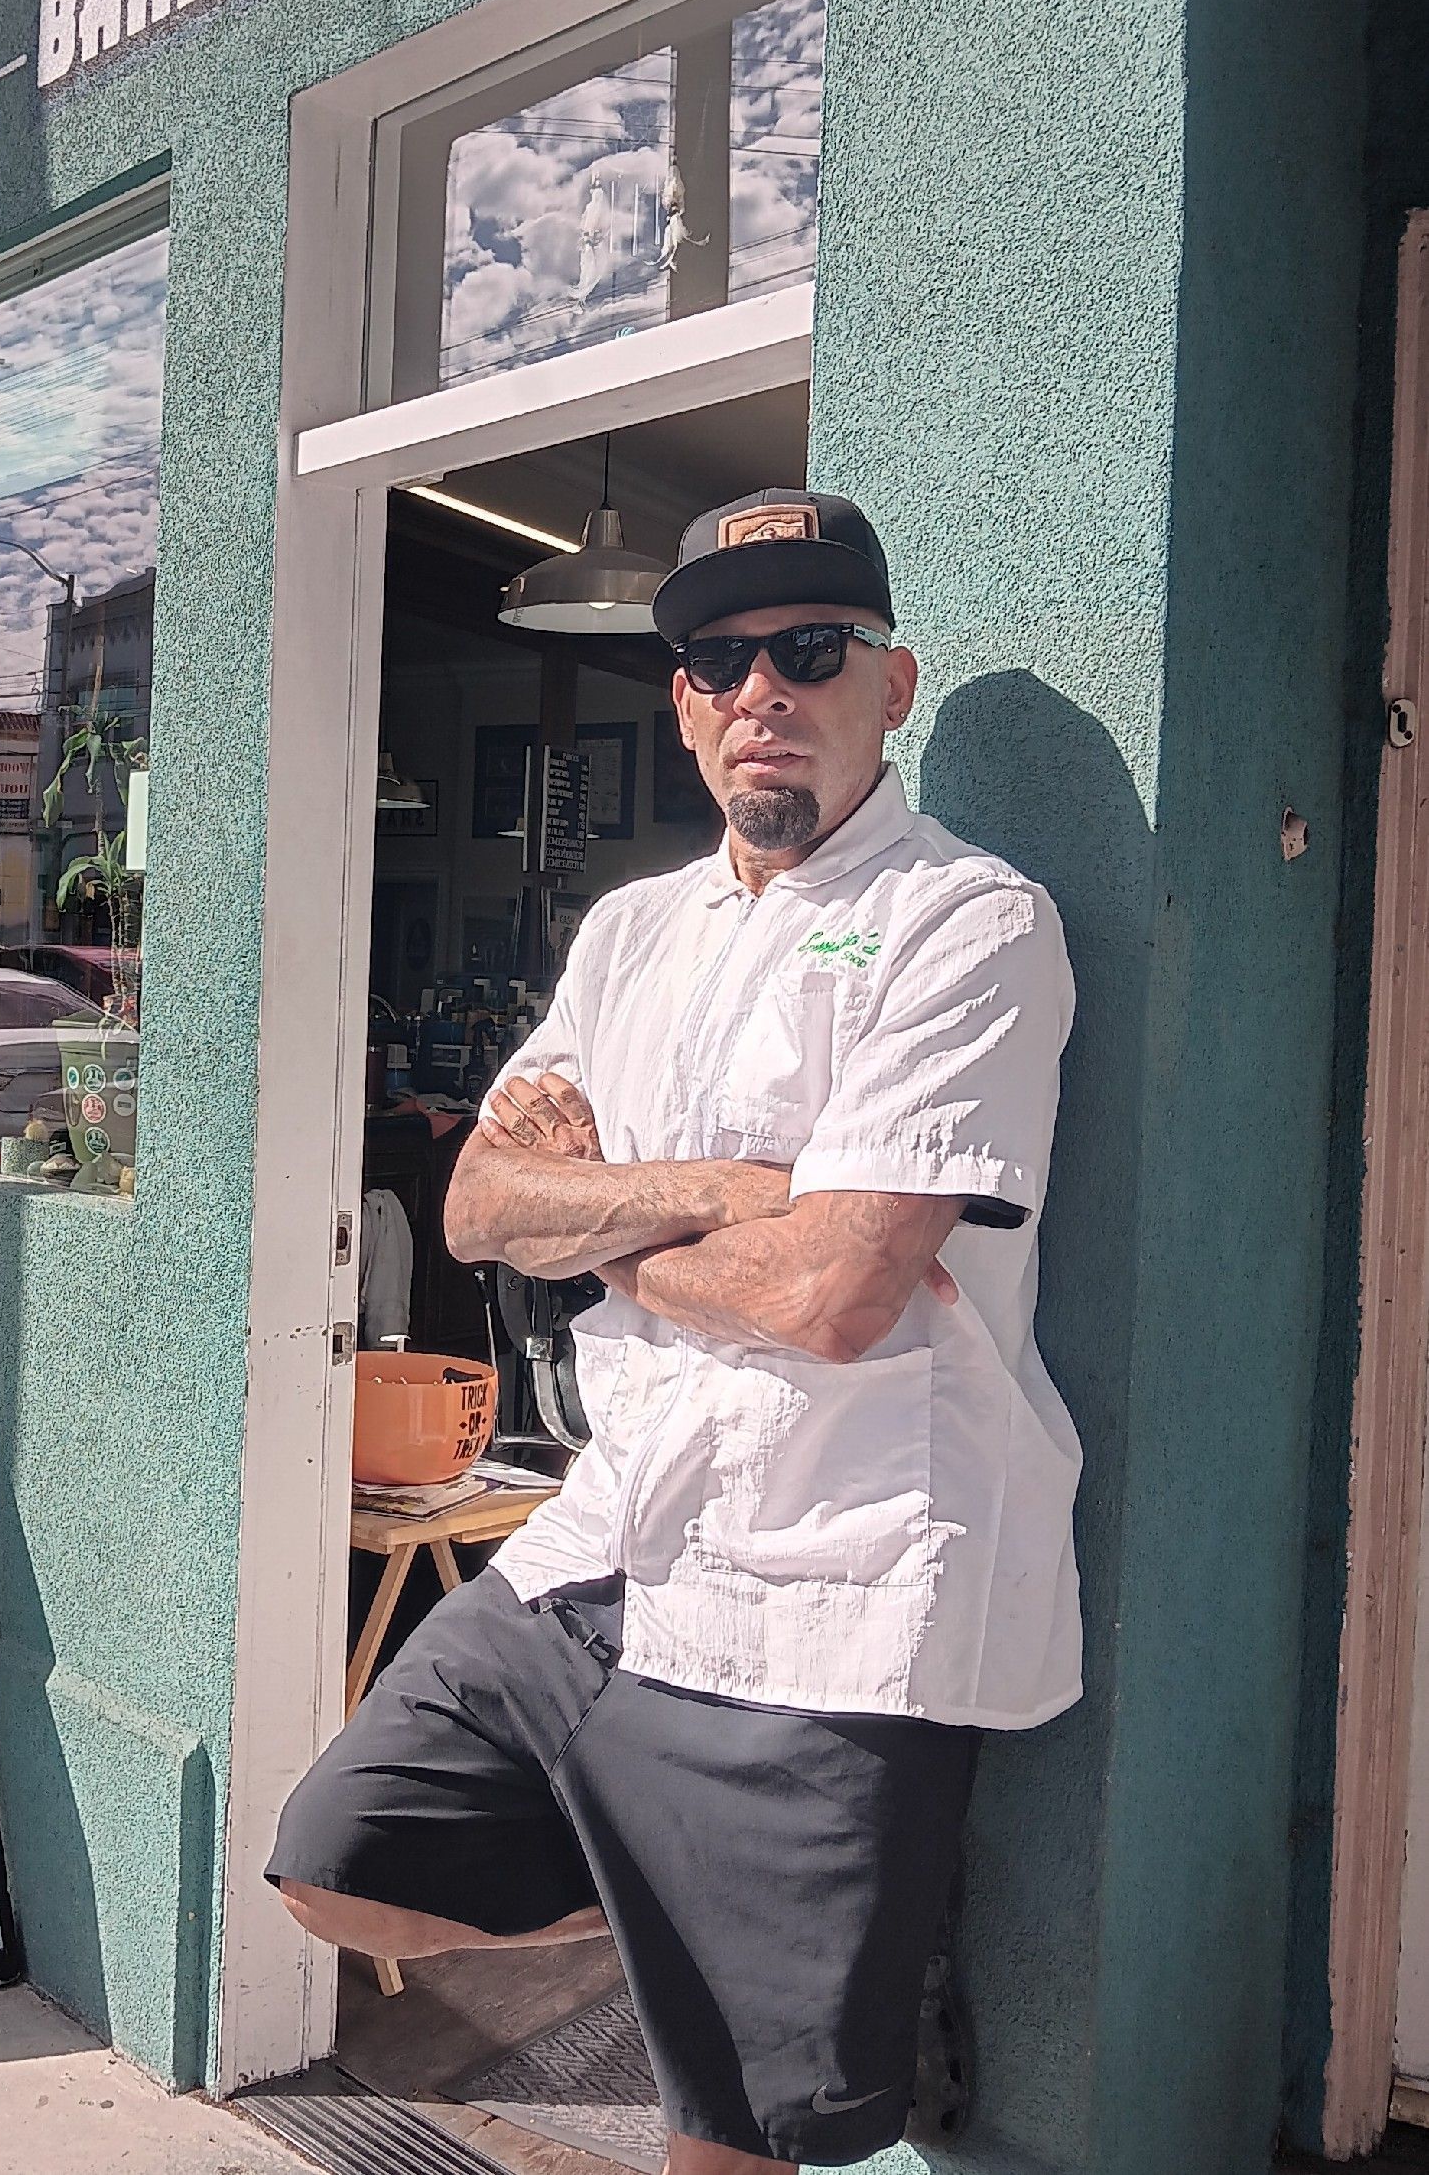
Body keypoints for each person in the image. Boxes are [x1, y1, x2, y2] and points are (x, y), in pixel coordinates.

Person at [268, 490, 1082, 2174]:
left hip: (832, 1563)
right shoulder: (632, 932)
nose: (760, 689)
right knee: (337, 1857)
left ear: (891, 681)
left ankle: (807, 1984)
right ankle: (683, 1918)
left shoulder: (971, 923)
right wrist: (724, 1188)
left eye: (809, 648)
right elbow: (487, 1201)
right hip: (614, 1531)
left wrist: (613, 1243)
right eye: (718, 658)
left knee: (736, 2138)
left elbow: (835, 1298)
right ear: (685, 702)